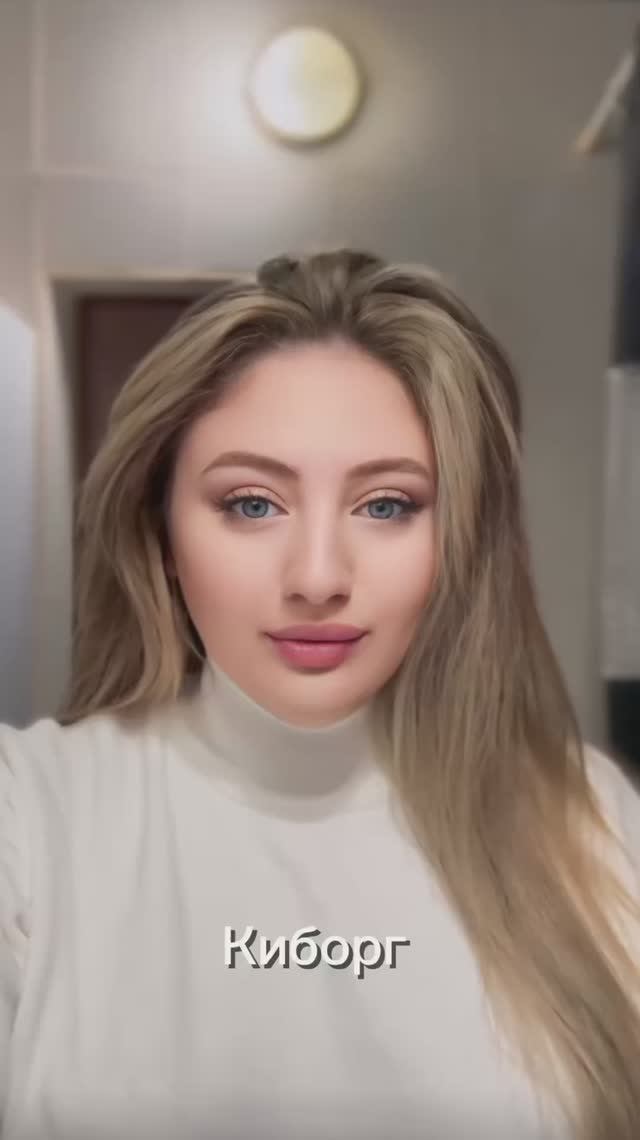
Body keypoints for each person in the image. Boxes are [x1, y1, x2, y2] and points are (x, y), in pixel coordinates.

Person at [1, 249, 639, 1140]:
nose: (317, 577)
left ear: (459, 542)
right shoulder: (29, 818)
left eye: (386, 505)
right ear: (161, 532)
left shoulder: (589, 815)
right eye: (252, 503)